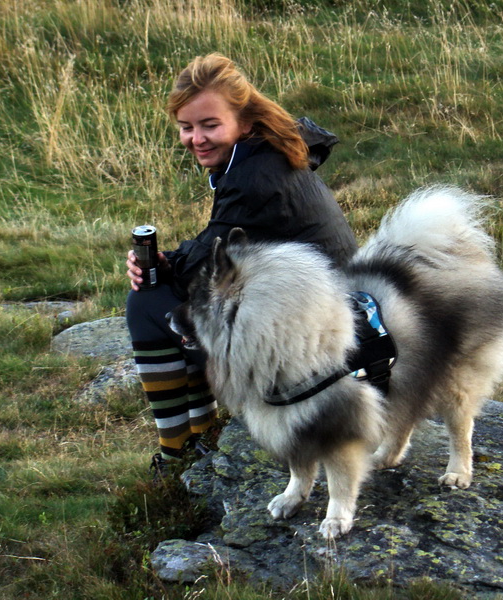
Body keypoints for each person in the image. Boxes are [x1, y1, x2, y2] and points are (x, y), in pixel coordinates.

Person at [125, 53, 357, 473]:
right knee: (169, 291)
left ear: (244, 122)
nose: (196, 138)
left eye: (209, 125)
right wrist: (169, 260)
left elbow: (206, 271)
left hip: (318, 348)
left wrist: (165, 266)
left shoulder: (254, 179)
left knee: (145, 303)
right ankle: (202, 432)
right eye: (186, 127)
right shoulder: (262, 156)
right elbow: (221, 238)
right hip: (331, 316)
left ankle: (178, 450)